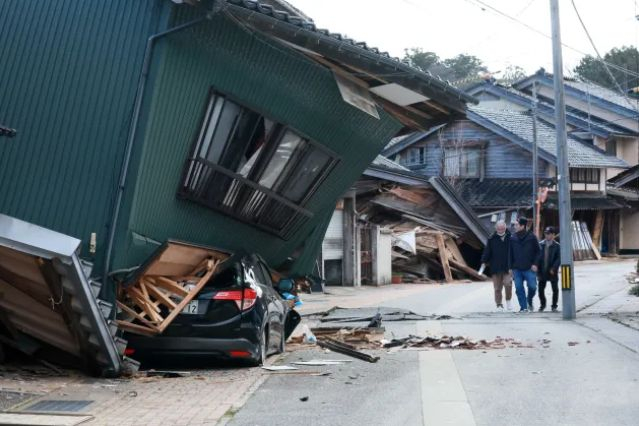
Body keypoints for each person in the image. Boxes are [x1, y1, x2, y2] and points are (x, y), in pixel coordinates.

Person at [481, 220, 513, 312]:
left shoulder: (511, 237)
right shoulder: (491, 238)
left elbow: (514, 251)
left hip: (508, 266)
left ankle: (508, 300)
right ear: (496, 228)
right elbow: (487, 251)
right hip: (495, 266)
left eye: (502, 228)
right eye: (499, 228)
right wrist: (483, 261)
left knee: (508, 283)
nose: (500, 230)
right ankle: (499, 304)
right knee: (497, 287)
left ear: (505, 228)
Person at [510, 217, 540, 312]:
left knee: (532, 287)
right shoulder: (512, 238)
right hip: (516, 269)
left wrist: (535, 264)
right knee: (519, 288)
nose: (514, 226)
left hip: (529, 268)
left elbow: (538, 252)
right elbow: (509, 254)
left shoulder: (532, 237)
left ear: (522, 226)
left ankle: (529, 299)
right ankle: (523, 307)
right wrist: (509, 268)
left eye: (516, 225)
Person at [536, 226, 560, 312]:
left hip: (552, 271)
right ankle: (542, 305)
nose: (547, 235)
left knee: (555, 290)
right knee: (540, 290)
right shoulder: (540, 244)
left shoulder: (557, 246)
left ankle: (554, 306)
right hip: (542, 271)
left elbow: (558, 259)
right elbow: (537, 257)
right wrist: (536, 267)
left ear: (553, 235)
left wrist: (554, 268)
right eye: (546, 233)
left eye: (549, 234)